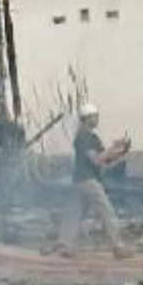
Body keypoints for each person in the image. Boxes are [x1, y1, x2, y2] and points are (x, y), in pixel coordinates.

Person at [59, 102, 131, 259]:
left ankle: (65, 246)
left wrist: (120, 151)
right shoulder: (85, 137)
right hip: (88, 180)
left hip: (79, 180)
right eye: (94, 116)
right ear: (87, 118)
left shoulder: (89, 137)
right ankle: (117, 247)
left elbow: (106, 160)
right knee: (106, 211)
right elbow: (97, 160)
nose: (97, 119)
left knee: (75, 213)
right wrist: (114, 147)